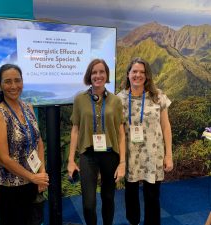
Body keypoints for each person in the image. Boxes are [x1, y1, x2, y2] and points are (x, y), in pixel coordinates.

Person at [67, 59, 126, 225]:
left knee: (108, 199)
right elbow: (75, 130)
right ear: (89, 75)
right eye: (94, 72)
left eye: (102, 72)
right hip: (88, 155)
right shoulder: (80, 99)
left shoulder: (116, 101)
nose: (98, 75)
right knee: (88, 204)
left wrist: (122, 162)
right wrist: (71, 160)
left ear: (106, 75)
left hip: (110, 155)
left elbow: (121, 134)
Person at [0, 64, 49, 225]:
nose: (14, 86)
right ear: (0, 85)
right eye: (8, 81)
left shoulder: (28, 107)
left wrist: (41, 173)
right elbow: (3, 158)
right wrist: (33, 177)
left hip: (34, 182)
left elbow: (39, 141)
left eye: (17, 80)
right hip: (11, 188)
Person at [117, 57, 173, 225]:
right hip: (130, 155)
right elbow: (118, 132)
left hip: (153, 153)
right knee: (131, 194)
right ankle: (133, 221)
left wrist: (169, 154)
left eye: (142, 72)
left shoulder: (158, 96)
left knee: (152, 195)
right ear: (128, 74)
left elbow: (166, 127)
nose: (138, 75)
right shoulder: (119, 100)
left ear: (147, 76)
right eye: (134, 71)